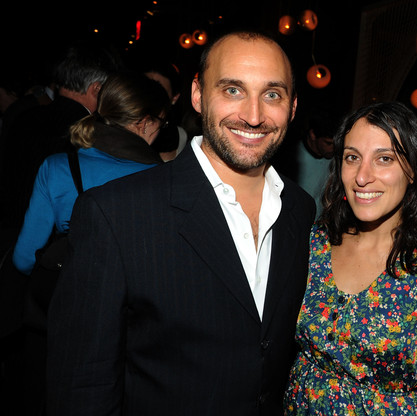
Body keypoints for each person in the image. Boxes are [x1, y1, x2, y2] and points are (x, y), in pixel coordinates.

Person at [46, 30, 316, 415]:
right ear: (198, 95)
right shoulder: (115, 214)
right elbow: (83, 385)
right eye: (233, 90)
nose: (254, 116)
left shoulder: (300, 211)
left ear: (292, 107)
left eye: (272, 94)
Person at [284, 101, 417, 415]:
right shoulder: (315, 244)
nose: (362, 177)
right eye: (352, 157)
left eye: (384, 159)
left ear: (413, 169)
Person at [2, 71, 169, 416]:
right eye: (161, 123)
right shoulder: (164, 180)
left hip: (60, 325)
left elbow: (24, 258)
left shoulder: (58, 166)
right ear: (144, 123)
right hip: (133, 334)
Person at [0, 40, 123, 243]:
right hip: (56, 248)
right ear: (97, 89)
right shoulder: (89, 133)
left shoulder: (24, 118)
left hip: (11, 237)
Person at [294, 106, 338, 217]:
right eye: (328, 143)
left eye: (336, 143)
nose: (333, 149)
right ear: (313, 135)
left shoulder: (334, 157)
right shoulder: (294, 158)